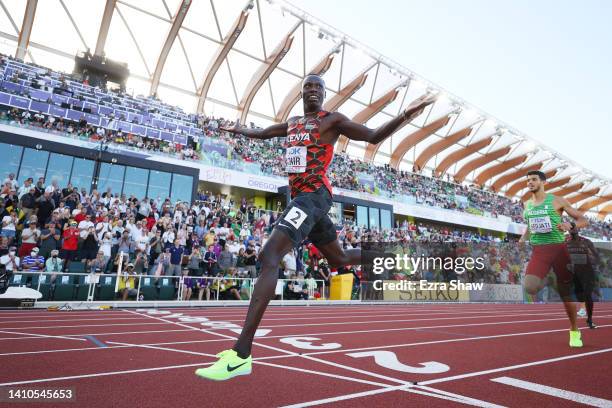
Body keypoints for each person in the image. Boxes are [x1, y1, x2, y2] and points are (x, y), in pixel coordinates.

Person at [195, 74, 436, 380]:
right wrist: (240, 129)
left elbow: (373, 136)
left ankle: (241, 355)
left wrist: (406, 113)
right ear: (301, 93)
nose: (312, 90)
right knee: (340, 259)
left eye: (318, 87)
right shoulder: (293, 123)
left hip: (314, 197)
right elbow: (266, 132)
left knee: (269, 258)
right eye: (307, 86)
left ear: (324, 94)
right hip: (302, 200)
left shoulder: (332, 120)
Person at [520, 170, 589, 347]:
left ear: (543, 182)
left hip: (559, 250)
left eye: (534, 180)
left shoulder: (557, 200)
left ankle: (574, 331)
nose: (530, 183)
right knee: (530, 287)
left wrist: (570, 225)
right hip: (539, 252)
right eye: (528, 180)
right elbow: (529, 225)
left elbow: (583, 220)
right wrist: (523, 238)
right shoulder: (526, 204)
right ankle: (551, 278)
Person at [566, 225, 600, 329]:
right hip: (574, 272)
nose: (572, 230)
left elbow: (596, 255)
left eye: (574, 228)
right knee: (579, 294)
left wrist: (592, 261)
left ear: (577, 229)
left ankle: (589, 320)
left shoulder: (586, 241)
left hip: (587, 272)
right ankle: (583, 308)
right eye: (570, 228)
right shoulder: (565, 242)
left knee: (588, 295)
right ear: (568, 230)